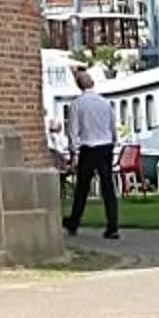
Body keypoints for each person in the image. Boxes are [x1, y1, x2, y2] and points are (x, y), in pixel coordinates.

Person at [63, 64, 121, 239]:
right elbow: (112, 128)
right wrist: (112, 143)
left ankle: (74, 221)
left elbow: (73, 131)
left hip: (88, 148)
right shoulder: (105, 103)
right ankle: (113, 225)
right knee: (108, 187)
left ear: (78, 86)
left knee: (82, 187)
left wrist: (73, 153)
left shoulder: (77, 104)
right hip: (105, 147)